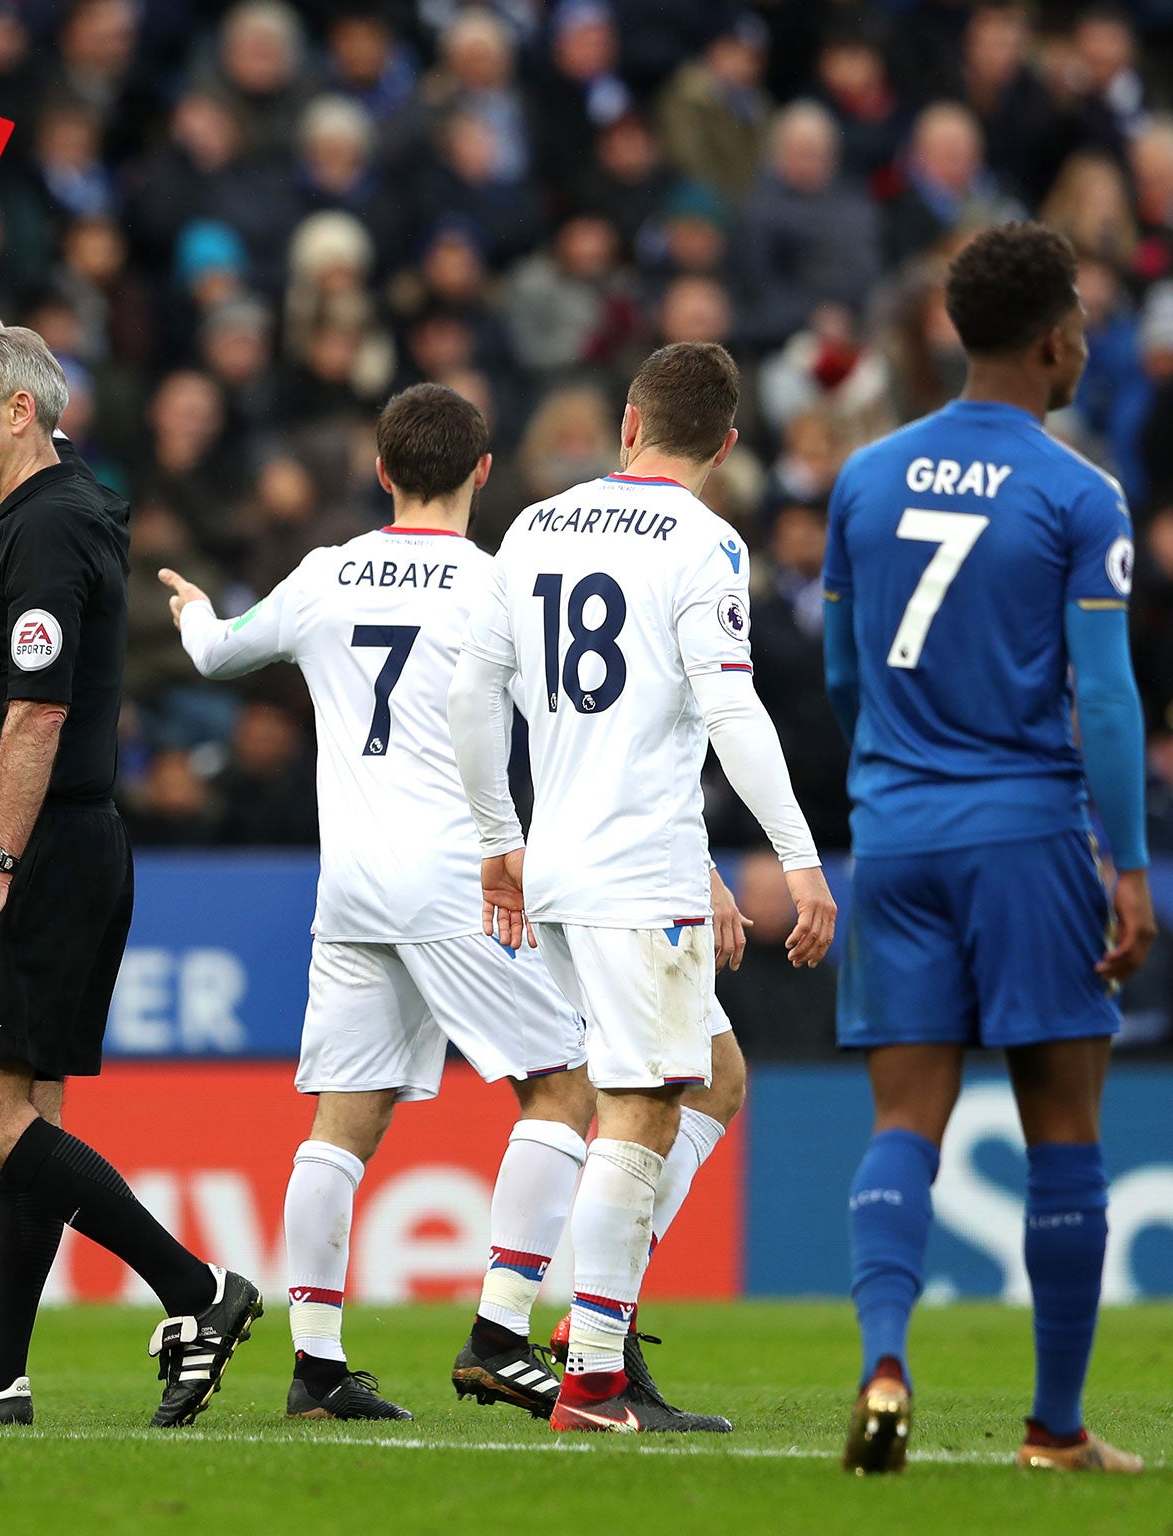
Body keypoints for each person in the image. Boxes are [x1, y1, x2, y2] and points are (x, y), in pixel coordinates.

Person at [0, 170, 261, 1432]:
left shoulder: (40, 535)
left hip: (37, 853)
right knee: (25, 1115)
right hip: (80, 846)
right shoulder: (63, 484)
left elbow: (35, 715)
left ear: (16, 415)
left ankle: (195, 1288)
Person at [157, 384, 589, 1421]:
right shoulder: (498, 587)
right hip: (456, 873)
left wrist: (190, 613)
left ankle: (314, 1366)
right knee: (564, 1090)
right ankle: (497, 1330)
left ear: (381, 470)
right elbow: (558, 723)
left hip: (349, 884)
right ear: (483, 472)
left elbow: (217, 655)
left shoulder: (324, 573)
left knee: (340, 1124)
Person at [449, 341, 835, 1435]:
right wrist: (796, 858)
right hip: (632, 872)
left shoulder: (532, 525)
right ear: (723, 444)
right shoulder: (706, 542)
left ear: (625, 425)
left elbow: (474, 695)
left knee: (711, 1077)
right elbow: (726, 713)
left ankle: (587, 1329)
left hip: (566, 860)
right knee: (639, 1103)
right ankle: (593, 1381)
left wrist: (498, 839)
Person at [825, 222, 1152, 1476]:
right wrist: (1124, 865)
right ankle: (1053, 1432)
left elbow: (844, 673)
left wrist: (895, 777)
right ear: (1053, 336)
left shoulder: (864, 476)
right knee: (1061, 1128)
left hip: (896, 838)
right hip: (1024, 835)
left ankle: (883, 1363)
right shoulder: (1078, 491)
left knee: (903, 1121)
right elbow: (1107, 697)